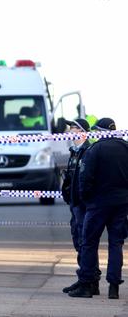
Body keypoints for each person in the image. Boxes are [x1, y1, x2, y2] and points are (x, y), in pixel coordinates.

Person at [69, 118, 128, 299]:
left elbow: (85, 178)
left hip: (97, 204)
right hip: (121, 204)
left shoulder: (95, 150)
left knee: (89, 242)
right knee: (116, 244)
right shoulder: (126, 147)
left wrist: (86, 198)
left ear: (100, 130)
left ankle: (87, 285)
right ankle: (114, 287)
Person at [61, 118, 100, 296]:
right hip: (74, 202)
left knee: (86, 242)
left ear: (82, 131)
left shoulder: (88, 151)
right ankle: (85, 277)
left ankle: (90, 281)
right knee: (79, 241)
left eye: (74, 128)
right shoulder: (75, 151)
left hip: (83, 203)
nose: (70, 130)